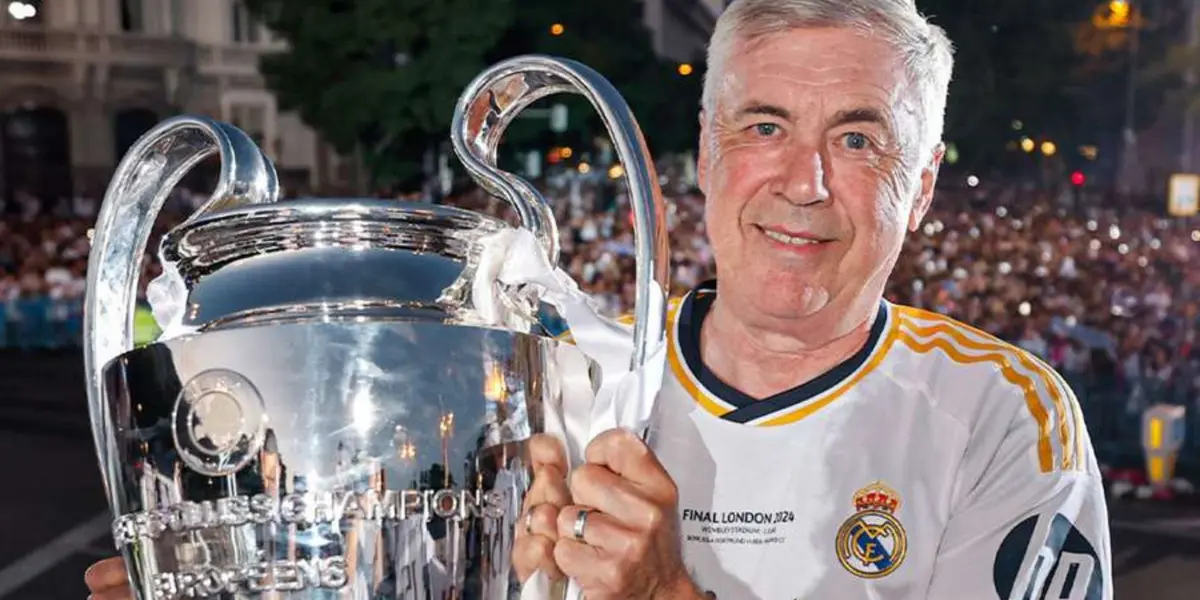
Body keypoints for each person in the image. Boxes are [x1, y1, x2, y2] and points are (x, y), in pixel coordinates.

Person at [86, 0, 1112, 598]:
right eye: (763, 127)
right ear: (706, 153)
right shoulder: (556, 377)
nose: (804, 181)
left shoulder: (1002, 417)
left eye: (856, 138)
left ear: (922, 183)